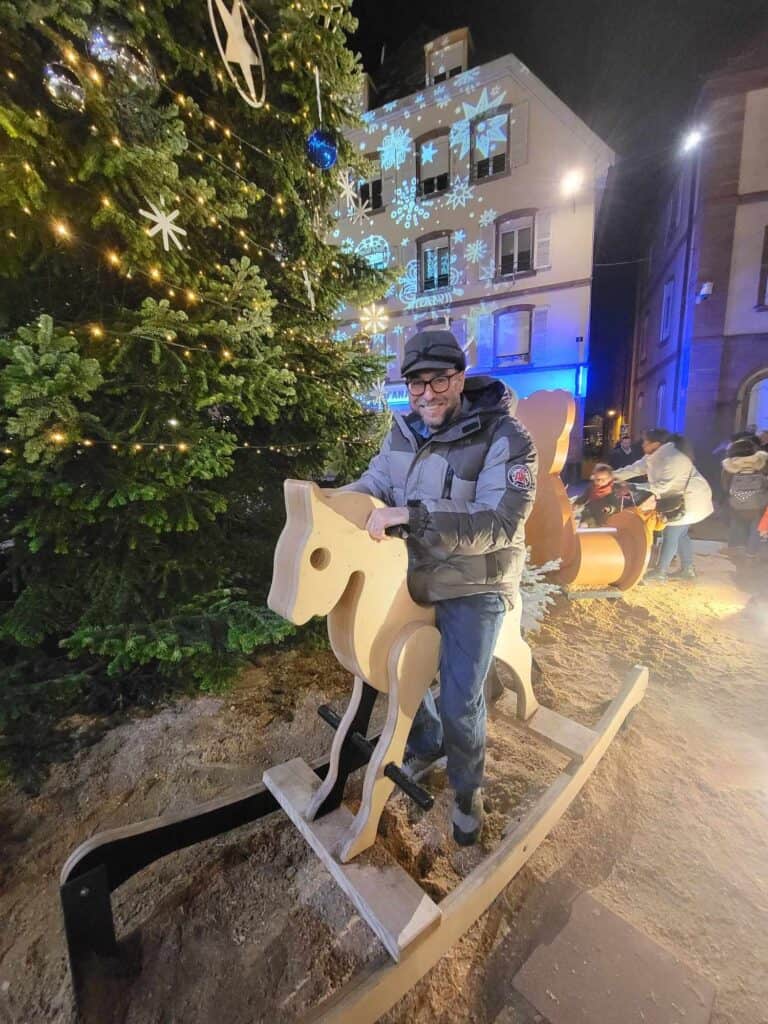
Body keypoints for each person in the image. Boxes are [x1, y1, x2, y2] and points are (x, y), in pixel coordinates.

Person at [342, 329, 537, 846]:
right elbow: (374, 483)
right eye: (416, 384)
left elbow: (499, 522)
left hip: (477, 582)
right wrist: (329, 504)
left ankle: (469, 789)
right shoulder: (403, 432)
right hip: (418, 573)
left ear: (460, 376)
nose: (427, 394)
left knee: (459, 700)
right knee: (381, 660)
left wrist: (412, 516)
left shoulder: (505, 437)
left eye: (439, 380)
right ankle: (426, 738)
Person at [613, 428, 713, 582]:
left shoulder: (674, 459)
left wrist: (631, 487)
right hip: (677, 499)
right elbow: (634, 469)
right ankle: (688, 569)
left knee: (671, 534)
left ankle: (661, 572)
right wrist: (611, 475)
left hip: (689, 500)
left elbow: (661, 487)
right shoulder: (653, 456)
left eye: (645, 441)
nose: (642, 445)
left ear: (656, 444)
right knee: (682, 535)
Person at [721, 437, 768, 558]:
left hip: (736, 504)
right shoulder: (761, 463)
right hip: (758, 504)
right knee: (755, 529)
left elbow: (725, 486)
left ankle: (734, 547)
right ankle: (751, 552)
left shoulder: (729, 467)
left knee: (736, 524)